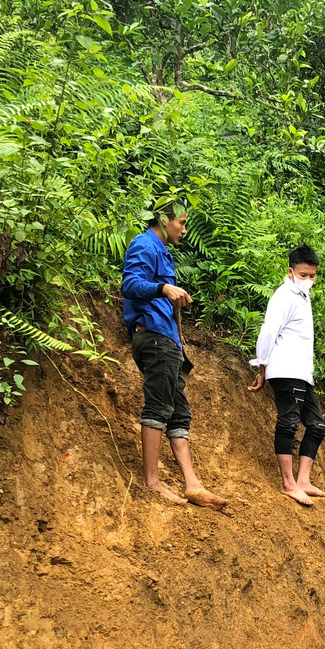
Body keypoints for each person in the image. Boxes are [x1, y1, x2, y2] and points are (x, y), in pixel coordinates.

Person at [120, 205, 227, 509]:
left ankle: (192, 485)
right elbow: (129, 285)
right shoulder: (144, 243)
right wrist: (164, 287)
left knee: (179, 412)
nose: (184, 229)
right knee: (159, 406)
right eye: (181, 222)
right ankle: (151, 482)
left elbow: (164, 298)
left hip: (167, 340)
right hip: (152, 337)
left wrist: (178, 329)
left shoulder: (163, 252)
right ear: (163, 220)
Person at [249, 244, 325, 507]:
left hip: (302, 373)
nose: (308, 280)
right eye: (303, 275)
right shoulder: (284, 296)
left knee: (317, 425)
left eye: (312, 276)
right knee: (289, 423)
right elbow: (268, 333)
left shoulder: (301, 298)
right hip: (285, 371)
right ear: (291, 271)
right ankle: (288, 483)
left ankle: (303, 480)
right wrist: (262, 366)